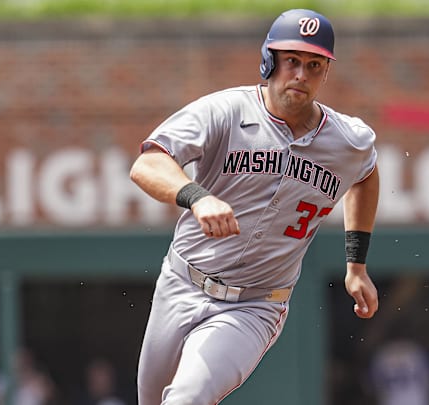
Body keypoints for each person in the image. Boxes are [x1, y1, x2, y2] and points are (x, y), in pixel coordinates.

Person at [130, 8, 380, 405]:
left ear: (325, 73)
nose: (301, 74)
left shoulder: (348, 140)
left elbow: (365, 175)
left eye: (314, 65)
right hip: (182, 283)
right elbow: (147, 163)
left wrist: (356, 265)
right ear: (269, 60)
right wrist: (197, 197)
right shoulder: (225, 111)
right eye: (292, 60)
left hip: (256, 304)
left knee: (186, 399)